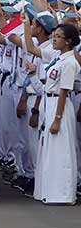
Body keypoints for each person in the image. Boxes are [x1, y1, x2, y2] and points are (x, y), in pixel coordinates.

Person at [29, 23, 79, 205]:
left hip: (60, 106)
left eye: (58, 36)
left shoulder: (70, 63)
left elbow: (64, 91)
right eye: (54, 36)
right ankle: (48, 191)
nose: (54, 39)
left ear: (68, 41)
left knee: (60, 150)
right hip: (49, 103)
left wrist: (57, 119)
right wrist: (33, 74)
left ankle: (62, 193)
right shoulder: (57, 59)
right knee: (48, 149)